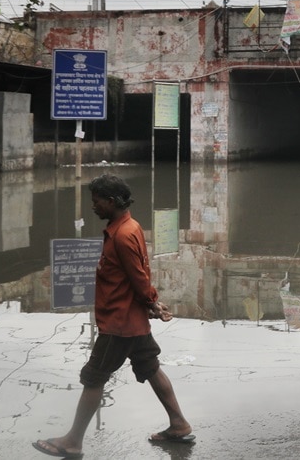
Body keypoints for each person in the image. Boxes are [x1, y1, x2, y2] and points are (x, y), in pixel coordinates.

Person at [33, 174, 193, 459]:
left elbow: (139, 277)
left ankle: (72, 441)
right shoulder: (130, 227)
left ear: (111, 201)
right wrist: (150, 305)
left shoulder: (121, 235)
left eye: (97, 202)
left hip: (119, 324)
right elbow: (139, 275)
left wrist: (152, 302)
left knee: (94, 378)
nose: (93, 207)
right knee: (150, 367)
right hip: (133, 322)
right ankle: (179, 424)